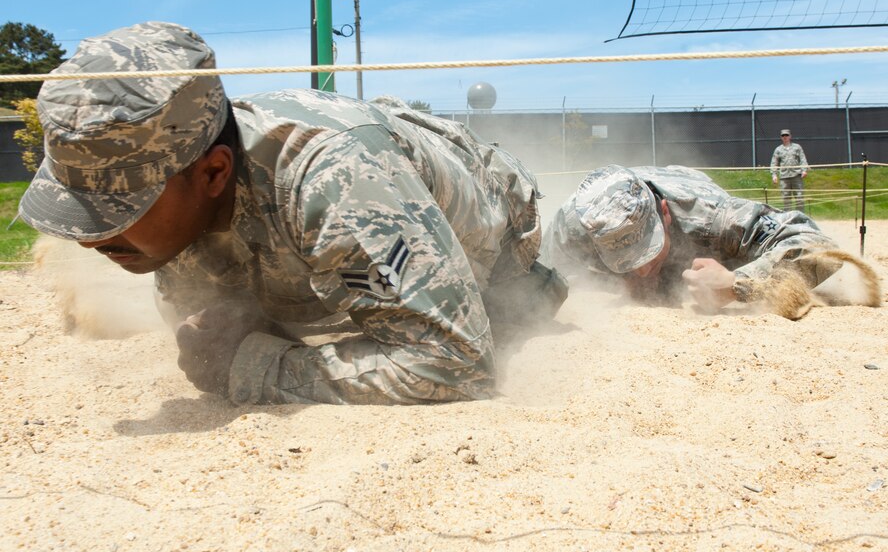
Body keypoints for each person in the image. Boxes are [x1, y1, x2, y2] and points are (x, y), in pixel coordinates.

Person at [17, 22, 567, 406]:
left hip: (495, 224)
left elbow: (453, 364)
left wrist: (254, 366)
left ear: (212, 173)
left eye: (118, 207)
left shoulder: (339, 185)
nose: (91, 237)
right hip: (331, 218)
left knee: (512, 314)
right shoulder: (175, 211)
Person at [540, 164, 839, 311]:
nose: (641, 270)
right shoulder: (573, 229)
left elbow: (818, 247)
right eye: (623, 260)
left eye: (647, 251)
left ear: (665, 215)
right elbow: (536, 278)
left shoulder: (712, 216)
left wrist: (738, 284)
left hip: (695, 205)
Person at [770, 128, 809, 212]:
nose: (785, 137)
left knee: (799, 197)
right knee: (786, 198)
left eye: (786, 135)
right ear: (781, 137)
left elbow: (803, 159)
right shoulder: (778, 149)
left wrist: (804, 170)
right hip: (784, 177)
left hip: (796, 176)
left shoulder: (797, 147)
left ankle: (800, 216)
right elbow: (774, 162)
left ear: (790, 136)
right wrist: (774, 175)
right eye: (783, 135)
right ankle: (788, 216)